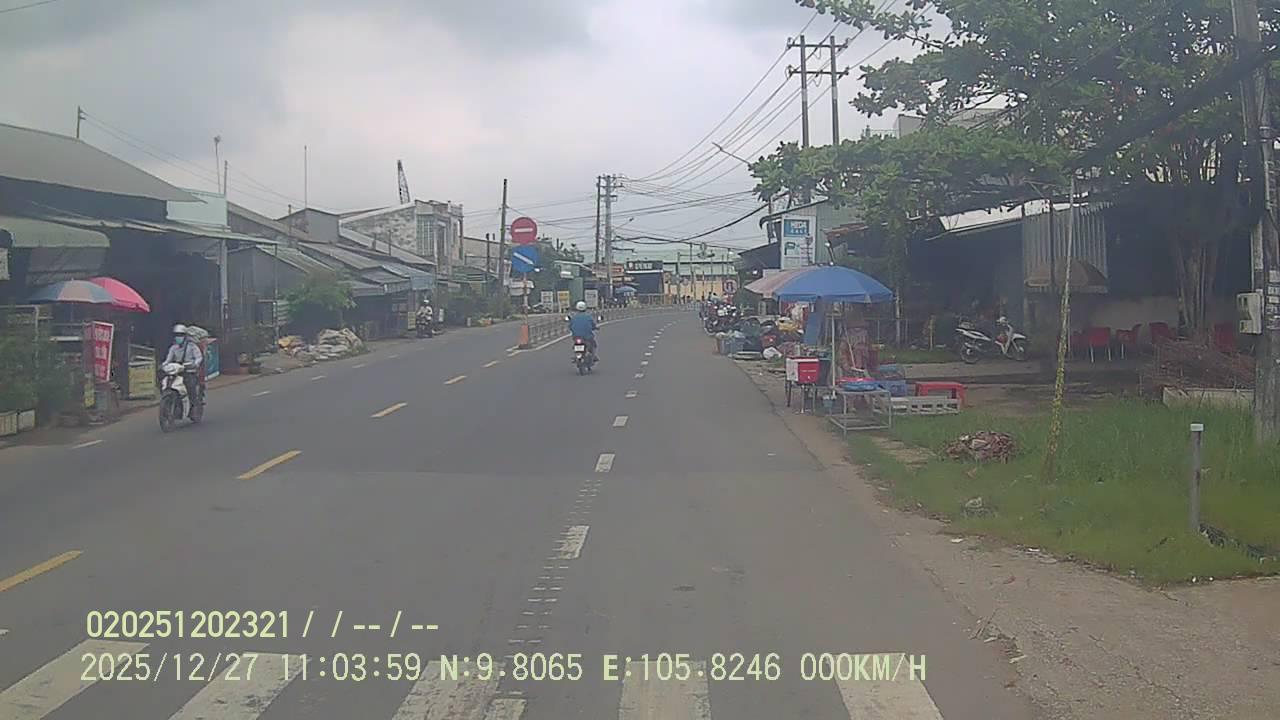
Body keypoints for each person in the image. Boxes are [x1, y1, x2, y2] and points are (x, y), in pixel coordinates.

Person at [164, 324, 204, 417]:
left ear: (185, 336)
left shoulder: (192, 346)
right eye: (176, 335)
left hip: (189, 371)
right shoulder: (173, 348)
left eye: (181, 335)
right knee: (167, 384)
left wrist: (194, 364)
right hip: (177, 371)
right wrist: (164, 365)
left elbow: (199, 357)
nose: (178, 337)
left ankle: (193, 406)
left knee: (190, 388)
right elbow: (168, 360)